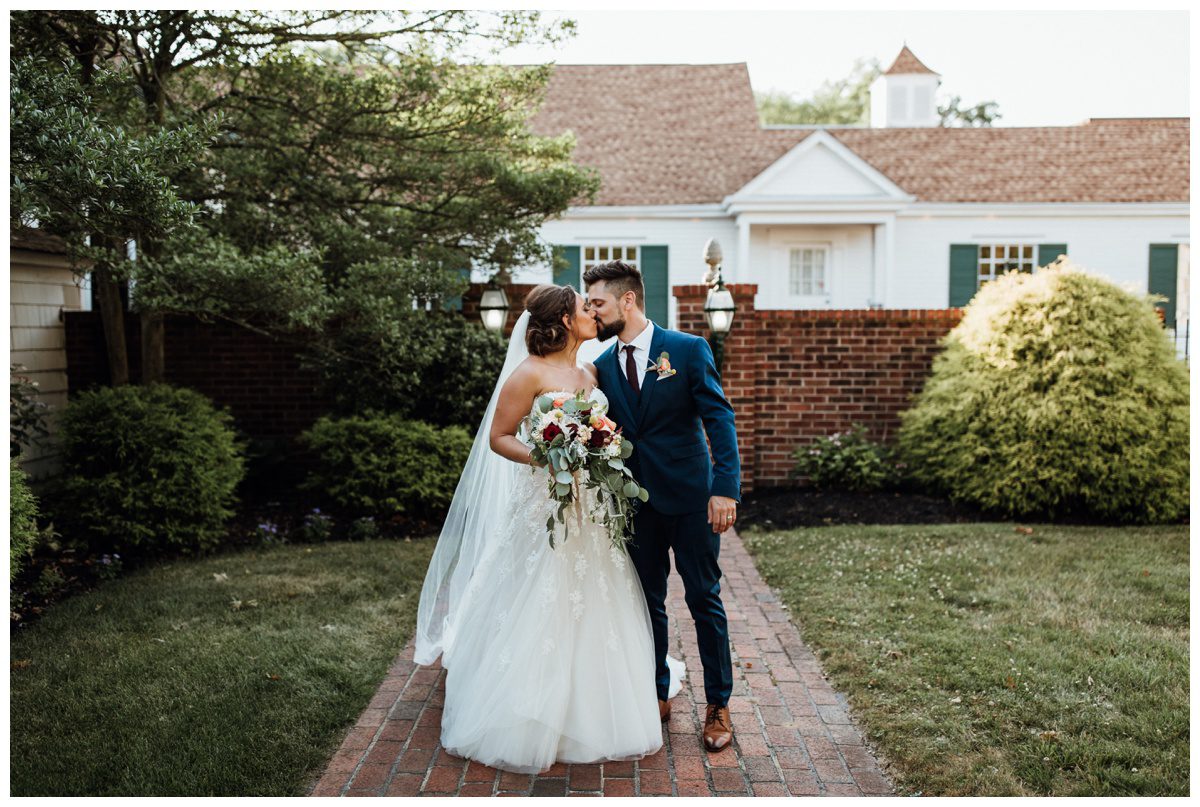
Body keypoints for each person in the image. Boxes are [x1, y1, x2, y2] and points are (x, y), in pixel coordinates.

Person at [414, 283, 683, 774]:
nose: (592, 314)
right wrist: (548, 456)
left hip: (592, 509)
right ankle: (527, 707)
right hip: (545, 504)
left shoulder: (589, 370)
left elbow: (607, 429)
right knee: (539, 591)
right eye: (584, 308)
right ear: (563, 320)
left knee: (595, 596)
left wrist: (598, 447)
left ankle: (596, 702)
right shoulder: (528, 373)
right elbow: (499, 437)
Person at [583, 260, 741, 752]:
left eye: (598, 303)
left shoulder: (688, 350)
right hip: (634, 505)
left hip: (693, 500)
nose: (591, 311)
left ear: (627, 300)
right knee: (646, 603)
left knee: (703, 599)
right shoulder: (602, 366)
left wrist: (725, 488)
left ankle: (718, 703)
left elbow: (719, 419)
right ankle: (657, 694)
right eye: (588, 304)